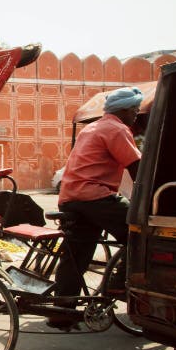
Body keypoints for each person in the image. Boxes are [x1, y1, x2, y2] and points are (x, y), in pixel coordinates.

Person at [50, 86, 143, 329]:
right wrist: (146, 200)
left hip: (70, 196)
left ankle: (62, 311)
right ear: (123, 110)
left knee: (76, 255)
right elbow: (136, 167)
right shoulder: (117, 129)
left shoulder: (92, 127)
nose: (135, 115)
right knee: (139, 232)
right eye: (134, 110)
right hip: (95, 196)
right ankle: (117, 282)